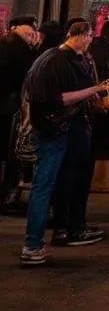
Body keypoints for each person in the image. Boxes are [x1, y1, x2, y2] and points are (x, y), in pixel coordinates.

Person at [20, 21, 109, 264]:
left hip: (56, 129)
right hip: (55, 131)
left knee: (53, 183)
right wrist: (95, 90)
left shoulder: (51, 59)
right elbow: (57, 99)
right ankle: (33, 244)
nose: (90, 41)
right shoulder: (56, 61)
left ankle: (45, 237)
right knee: (45, 185)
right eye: (89, 36)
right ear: (79, 35)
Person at [0, 15, 38, 207]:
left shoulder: (5, 44)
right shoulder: (22, 51)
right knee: (10, 152)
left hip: (5, 104)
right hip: (11, 107)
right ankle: (8, 193)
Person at [87, 21, 109, 193]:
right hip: (108, 99)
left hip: (90, 99)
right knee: (107, 139)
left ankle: (94, 177)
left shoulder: (91, 50)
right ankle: (102, 179)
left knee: (95, 138)